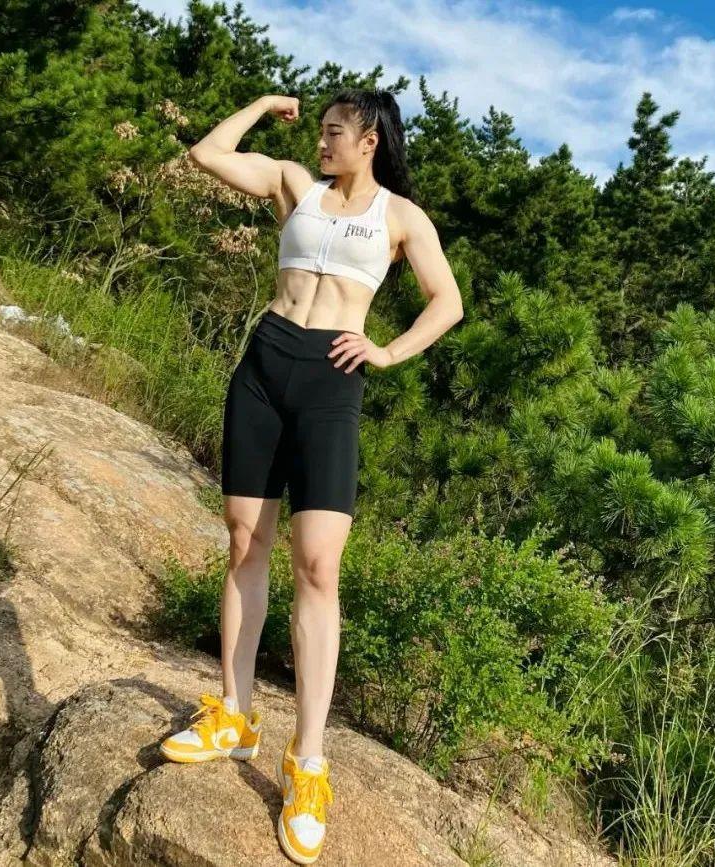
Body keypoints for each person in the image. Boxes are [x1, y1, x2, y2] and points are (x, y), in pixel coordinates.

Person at [160, 88, 463, 864]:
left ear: (370, 140)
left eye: (335, 132)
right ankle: (234, 714)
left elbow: (447, 302)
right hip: (265, 366)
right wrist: (263, 105)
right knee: (243, 542)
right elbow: (206, 154)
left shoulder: (401, 217)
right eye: (320, 130)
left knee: (319, 565)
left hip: (332, 380)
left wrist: (387, 352)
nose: (322, 142)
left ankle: (308, 762)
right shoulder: (294, 184)